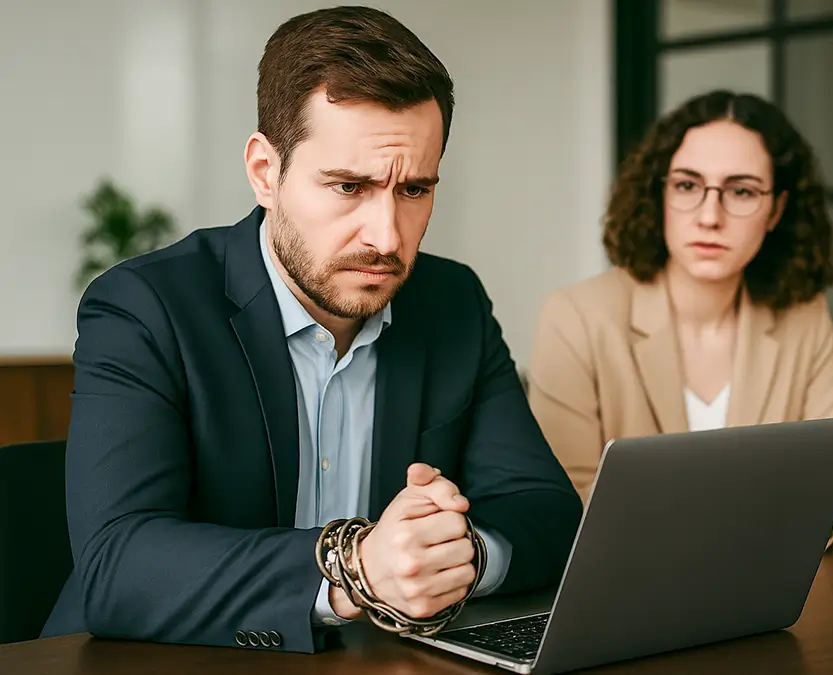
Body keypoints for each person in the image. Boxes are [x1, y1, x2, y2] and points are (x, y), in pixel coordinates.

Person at [40, 6, 581, 653]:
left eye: (413, 190)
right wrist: (356, 569)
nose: (386, 236)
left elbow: (547, 512)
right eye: (348, 186)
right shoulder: (145, 305)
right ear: (266, 173)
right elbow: (117, 564)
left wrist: (456, 552)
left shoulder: (452, 302)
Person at [527, 89, 833, 544]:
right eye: (687, 185)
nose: (709, 216)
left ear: (776, 209)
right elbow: (565, 499)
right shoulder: (577, 317)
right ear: (658, 194)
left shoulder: (802, 316)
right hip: (632, 588)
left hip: (770, 584)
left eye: (741, 191)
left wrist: (813, 521)